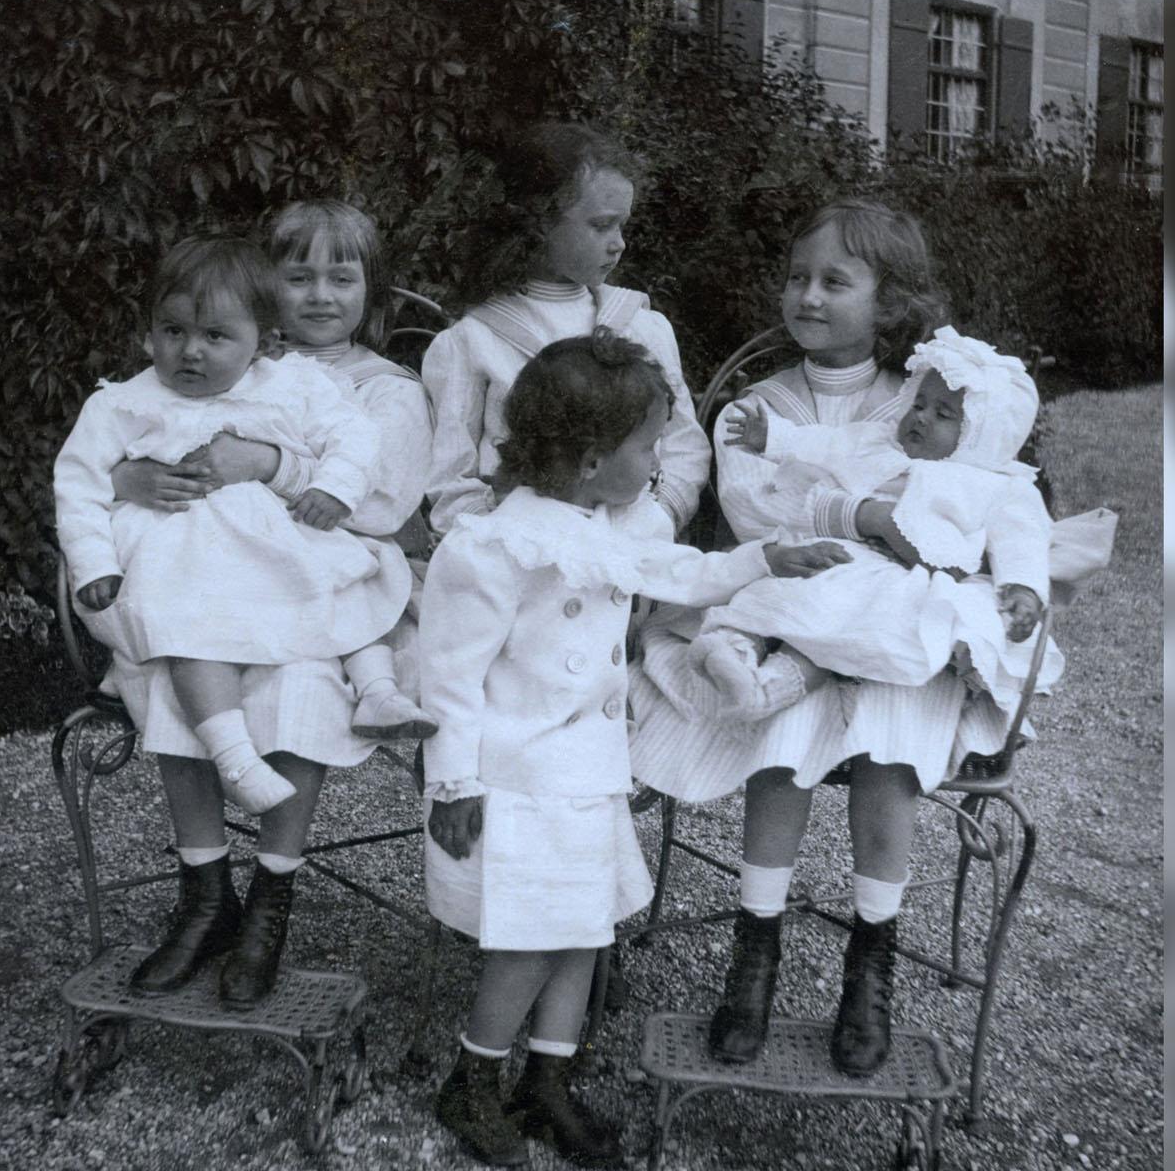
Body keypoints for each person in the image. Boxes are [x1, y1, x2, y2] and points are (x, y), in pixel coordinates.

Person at [419, 330, 846, 1167]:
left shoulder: (606, 525)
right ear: (585, 460)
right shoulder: (492, 549)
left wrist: (769, 556)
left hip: (587, 772)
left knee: (584, 931)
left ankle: (548, 1082)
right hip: (518, 781)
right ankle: (471, 1080)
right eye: (647, 445)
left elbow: (681, 574)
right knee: (529, 939)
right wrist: (454, 783)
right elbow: (449, 679)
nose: (658, 462)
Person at [630, 200, 1028, 1078]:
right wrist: (870, 515)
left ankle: (870, 960)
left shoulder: (927, 403)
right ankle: (756, 948)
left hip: (894, 621)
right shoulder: (755, 407)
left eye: (835, 282)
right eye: (797, 277)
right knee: (782, 741)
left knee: (886, 735)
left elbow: (977, 507)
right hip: (800, 602)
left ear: (890, 304)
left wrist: (922, 541)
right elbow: (754, 511)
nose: (807, 296)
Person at [54, 234, 412, 1009]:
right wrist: (123, 495)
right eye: (174, 332)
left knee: (301, 692)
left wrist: (288, 471)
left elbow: (376, 482)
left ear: (260, 337)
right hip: (176, 588)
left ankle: (270, 903)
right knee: (173, 676)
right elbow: (80, 481)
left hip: (293, 584)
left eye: (214, 336)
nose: (190, 352)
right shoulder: (128, 400)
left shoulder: (357, 389)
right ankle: (206, 896)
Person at [693, 326, 1064, 719]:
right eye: (919, 402)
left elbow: (1022, 541)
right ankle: (734, 648)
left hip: (911, 582)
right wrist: (774, 438)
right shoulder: (879, 440)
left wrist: (1023, 589)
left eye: (943, 414)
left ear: (980, 435)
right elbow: (827, 443)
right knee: (788, 595)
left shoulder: (999, 487)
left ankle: (767, 690)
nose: (921, 416)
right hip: (849, 555)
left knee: (853, 628)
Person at [422, 120, 709, 539]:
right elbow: (452, 477)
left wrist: (658, 517)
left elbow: (684, 443)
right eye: (601, 225)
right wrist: (500, 541)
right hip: (518, 554)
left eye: (622, 225)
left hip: (629, 551)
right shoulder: (474, 340)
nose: (619, 243)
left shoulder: (642, 327)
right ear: (536, 223)